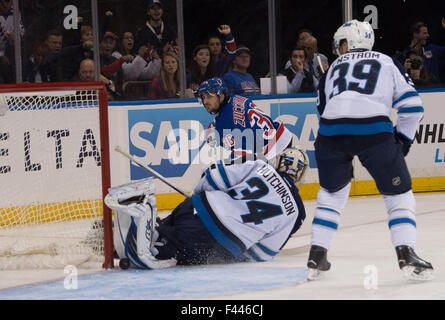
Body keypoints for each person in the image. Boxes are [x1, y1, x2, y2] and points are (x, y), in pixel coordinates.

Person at [307, 20, 433, 281]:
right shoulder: (386, 61)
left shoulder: (332, 69)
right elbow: (412, 106)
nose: (338, 49)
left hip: (330, 134)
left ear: (348, 42)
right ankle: (406, 253)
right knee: (399, 196)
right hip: (374, 132)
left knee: (331, 195)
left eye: (340, 43)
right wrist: (404, 140)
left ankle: (317, 254)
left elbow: (322, 109)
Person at [104, 147, 309, 269]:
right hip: (218, 243)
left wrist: (198, 198)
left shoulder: (261, 167)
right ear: (300, 175)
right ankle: (146, 240)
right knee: (167, 253)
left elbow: (213, 177)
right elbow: (263, 253)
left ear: (279, 162)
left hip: (196, 208)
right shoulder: (297, 211)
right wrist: (233, 254)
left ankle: (137, 231)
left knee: (164, 230)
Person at [198, 77, 293, 164]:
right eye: (203, 97)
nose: (205, 102)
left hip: (274, 150)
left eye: (209, 96)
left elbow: (244, 158)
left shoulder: (227, 120)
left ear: (221, 95)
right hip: (280, 135)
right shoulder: (233, 98)